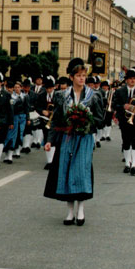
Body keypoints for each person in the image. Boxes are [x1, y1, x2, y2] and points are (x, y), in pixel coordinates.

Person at [43, 58, 104, 226]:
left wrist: (86, 121)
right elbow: (55, 120)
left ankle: (81, 209)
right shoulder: (61, 96)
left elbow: (100, 119)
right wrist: (49, 141)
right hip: (67, 138)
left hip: (84, 139)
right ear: (71, 77)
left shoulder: (94, 96)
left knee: (81, 172)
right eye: (78, 75)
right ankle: (70, 212)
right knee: (66, 171)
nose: (82, 78)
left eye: (84, 75)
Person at [112, 68, 135, 176]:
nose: (132, 80)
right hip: (124, 120)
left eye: (134, 78)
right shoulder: (119, 91)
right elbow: (114, 105)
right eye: (130, 78)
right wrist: (123, 106)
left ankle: (134, 164)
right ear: (126, 80)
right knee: (126, 141)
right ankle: (127, 163)